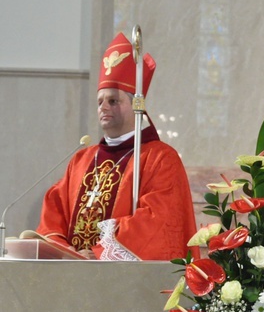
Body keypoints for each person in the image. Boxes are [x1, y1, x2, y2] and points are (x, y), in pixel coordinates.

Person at [36, 32, 197, 261]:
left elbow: (158, 221)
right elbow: (54, 214)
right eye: (100, 101)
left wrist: (99, 253)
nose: (104, 107)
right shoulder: (82, 160)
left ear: (136, 106)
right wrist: (65, 251)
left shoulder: (160, 158)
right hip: (73, 277)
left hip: (125, 283)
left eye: (113, 100)